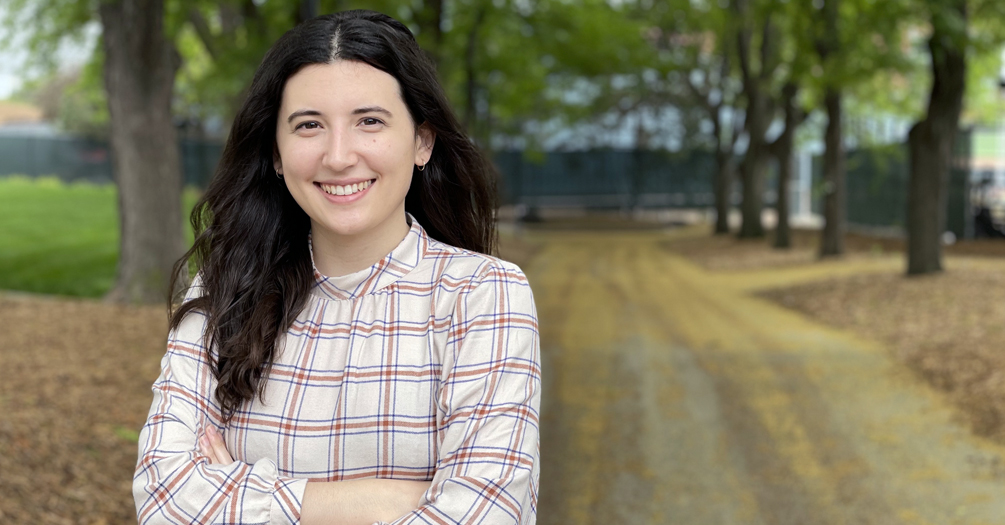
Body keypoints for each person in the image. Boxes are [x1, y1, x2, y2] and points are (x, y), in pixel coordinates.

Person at [132, 10, 541, 525]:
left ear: (422, 141)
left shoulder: (484, 295)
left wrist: (241, 492)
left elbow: (487, 514)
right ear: (276, 154)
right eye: (309, 126)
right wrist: (380, 501)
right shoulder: (225, 287)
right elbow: (163, 498)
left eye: (369, 121)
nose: (339, 155)